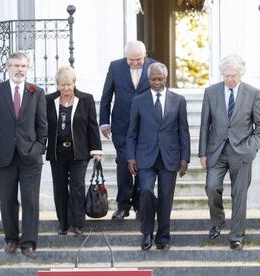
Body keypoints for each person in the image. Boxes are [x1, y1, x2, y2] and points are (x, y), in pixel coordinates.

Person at [0, 52, 47, 259]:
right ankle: (11, 239)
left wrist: (38, 149)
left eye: (23, 66)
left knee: (30, 200)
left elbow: (43, 127)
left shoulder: (37, 92)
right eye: (15, 65)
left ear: (28, 68)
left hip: (30, 158)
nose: (19, 69)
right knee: (8, 200)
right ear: (8, 67)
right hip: (2, 157)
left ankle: (28, 243)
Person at [199, 55, 260, 250]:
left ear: (241, 74)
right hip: (216, 151)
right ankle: (217, 221)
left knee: (239, 194)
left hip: (242, 151)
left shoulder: (252, 93)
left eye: (232, 76)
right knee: (211, 187)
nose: (228, 79)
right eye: (225, 75)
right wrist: (202, 154)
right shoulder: (211, 92)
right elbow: (205, 126)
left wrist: (251, 148)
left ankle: (236, 235)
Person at [126, 62, 190, 251]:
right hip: (145, 156)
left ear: (166, 78)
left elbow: (184, 132)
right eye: (153, 79)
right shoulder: (139, 100)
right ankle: (147, 233)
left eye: (160, 79)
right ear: (148, 79)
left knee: (165, 197)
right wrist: (130, 157)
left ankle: (163, 237)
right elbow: (132, 132)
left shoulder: (178, 100)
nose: (156, 82)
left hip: (170, 157)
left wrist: (185, 158)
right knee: (146, 191)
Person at [100, 40, 157, 220]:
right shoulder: (115, 67)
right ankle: (123, 206)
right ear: (126, 56)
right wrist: (104, 122)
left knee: (142, 164)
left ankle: (140, 206)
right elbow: (106, 95)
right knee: (124, 163)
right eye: (131, 59)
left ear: (145, 55)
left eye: (138, 59)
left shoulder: (155, 67)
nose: (134, 62)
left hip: (146, 126)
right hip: (121, 125)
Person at [46, 66, 102, 236]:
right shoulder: (48, 100)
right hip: (57, 152)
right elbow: (43, 124)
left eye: (69, 84)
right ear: (57, 84)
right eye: (62, 85)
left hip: (79, 152)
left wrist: (96, 150)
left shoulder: (86, 99)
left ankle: (77, 223)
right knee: (60, 188)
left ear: (74, 83)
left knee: (77, 186)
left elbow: (92, 126)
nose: (66, 88)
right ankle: (63, 224)